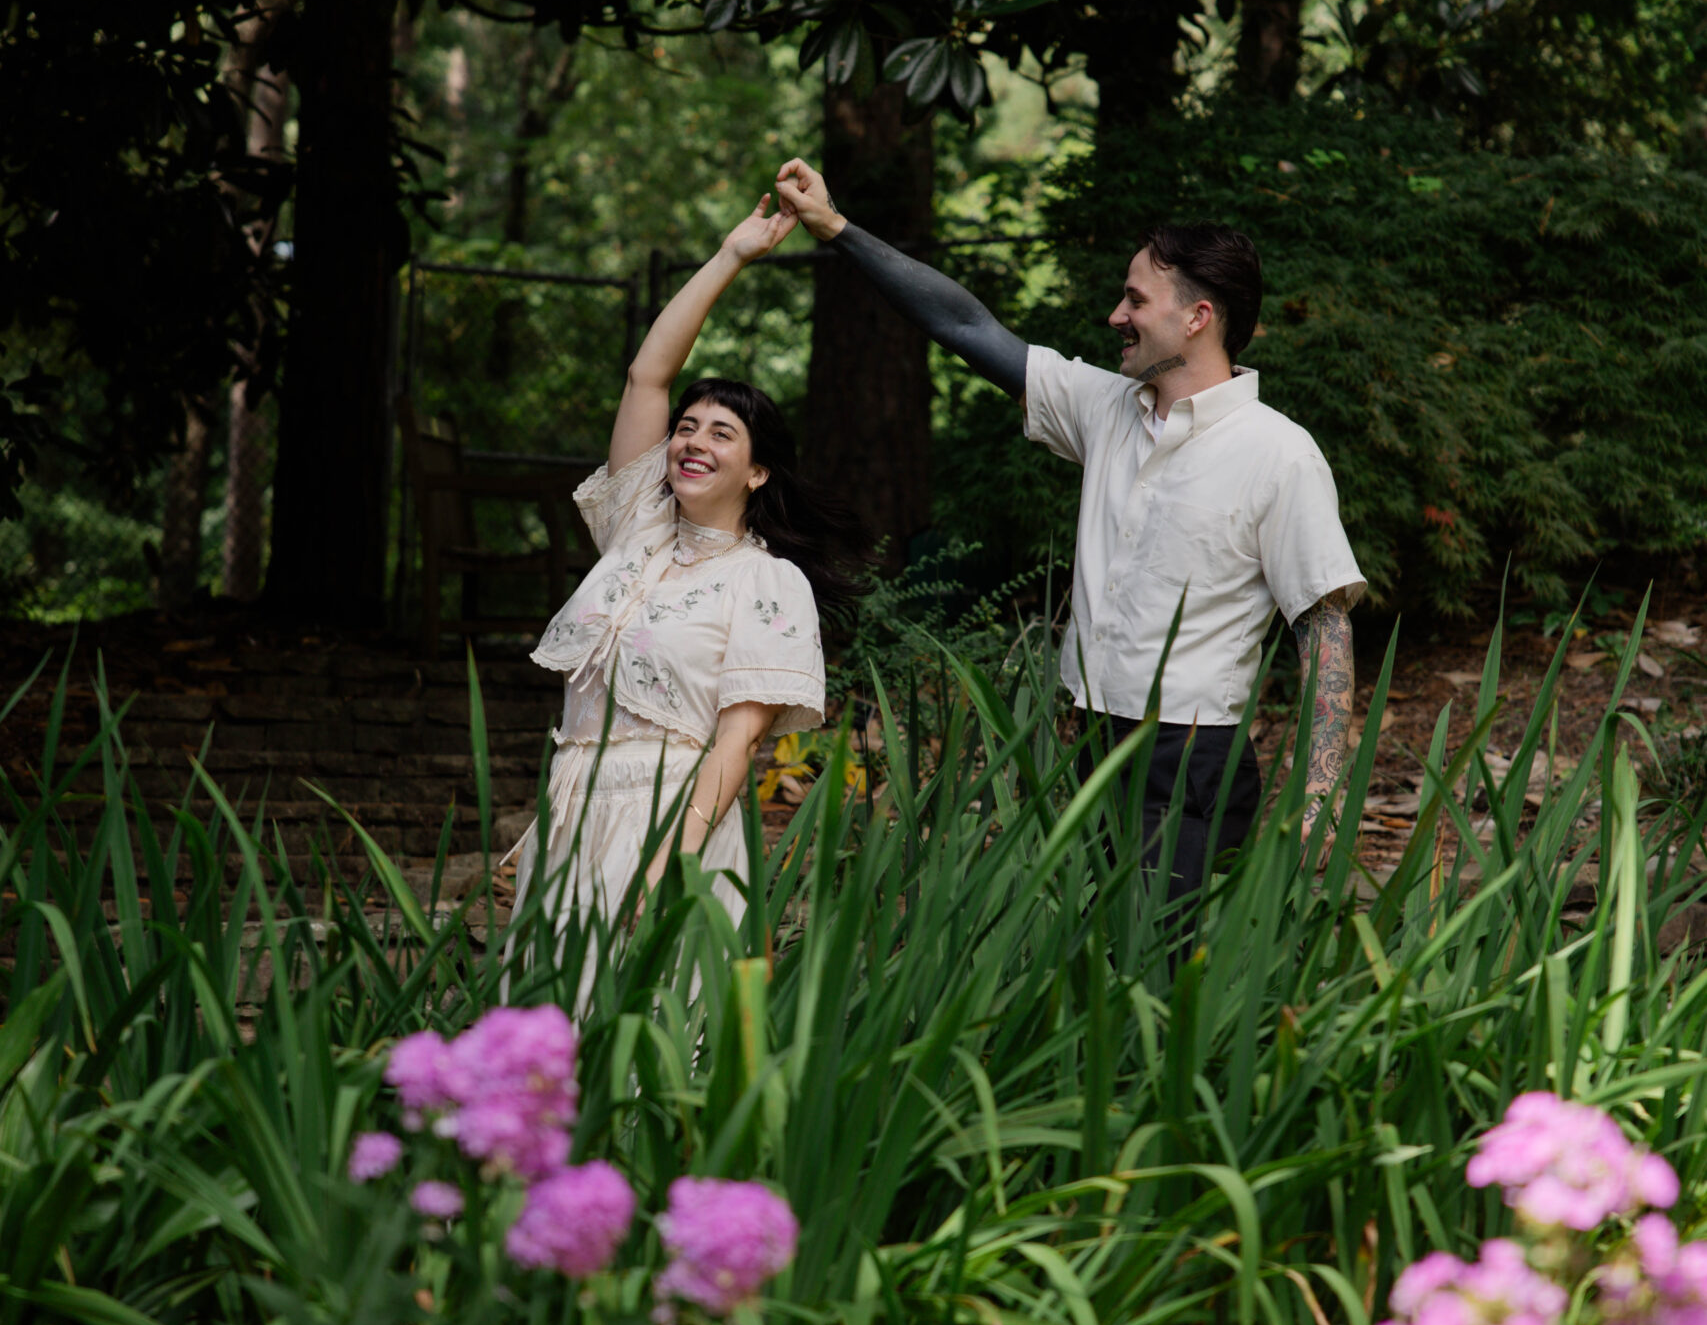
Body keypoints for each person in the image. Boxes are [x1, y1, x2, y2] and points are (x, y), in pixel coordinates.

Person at [773, 159, 1365, 894]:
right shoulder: (1104, 409)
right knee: (1089, 948)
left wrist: (1320, 797)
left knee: (1155, 952)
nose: (1116, 315)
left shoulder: (1279, 453)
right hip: (1087, 741)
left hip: (1188, 760)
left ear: (1197, 318)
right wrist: (835, 228)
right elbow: (963, 324)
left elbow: (1323, 624)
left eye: (1135, 299)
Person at [507, 195, 860, 970]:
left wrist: (669, 862)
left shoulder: (767, 582)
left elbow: (738, 740)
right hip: (571, 811)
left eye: (721, 433)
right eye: (687, 427)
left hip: (673, 824)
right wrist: (730, 255)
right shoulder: (635, 529)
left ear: (757, 471)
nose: (693, 441)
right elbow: (647, 375)